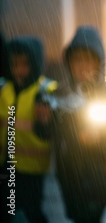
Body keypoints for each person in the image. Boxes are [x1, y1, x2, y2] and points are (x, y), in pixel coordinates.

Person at [51, 26, 106, 222]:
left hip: (101, 176)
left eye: (89, 60)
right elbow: (49, 132)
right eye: (78, 59)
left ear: (99, 63)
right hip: (68, 175)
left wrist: (105, 137)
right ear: (69, 62)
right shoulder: (60, 94)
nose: (83, 66)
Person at [0, 36, 58, 223]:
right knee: (8, 209)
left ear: (34, 64)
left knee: (32, 210)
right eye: (14, 64)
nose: (19, 70)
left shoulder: (45, 90)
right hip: (6, 165)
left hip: (32, 170)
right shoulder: (4, 89)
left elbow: (51, 126)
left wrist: (45, 118)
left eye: (25, 64)